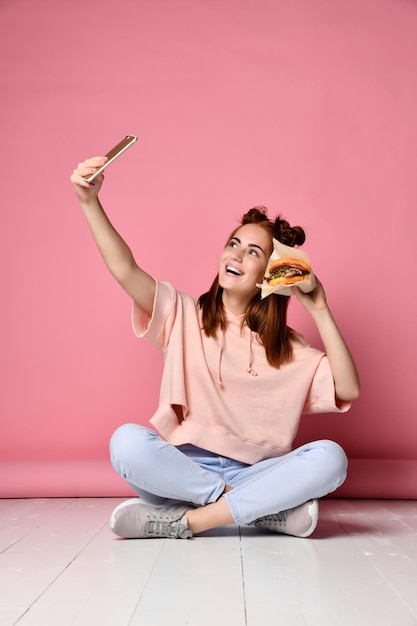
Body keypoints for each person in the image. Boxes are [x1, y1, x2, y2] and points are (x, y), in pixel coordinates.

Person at [70, 155, 360, 540]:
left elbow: (348, 390)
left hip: (255, 472)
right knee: (126, 442)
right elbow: (125, 269)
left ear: (270, 275)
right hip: (182, 474)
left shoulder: (289, 348)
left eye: (253, 252)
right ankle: (257, 511)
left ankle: (190, 521)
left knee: (331, 458)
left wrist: (321, 309)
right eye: (233, 244)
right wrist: (89, 202)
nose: (236, 255)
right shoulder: (183, 314)